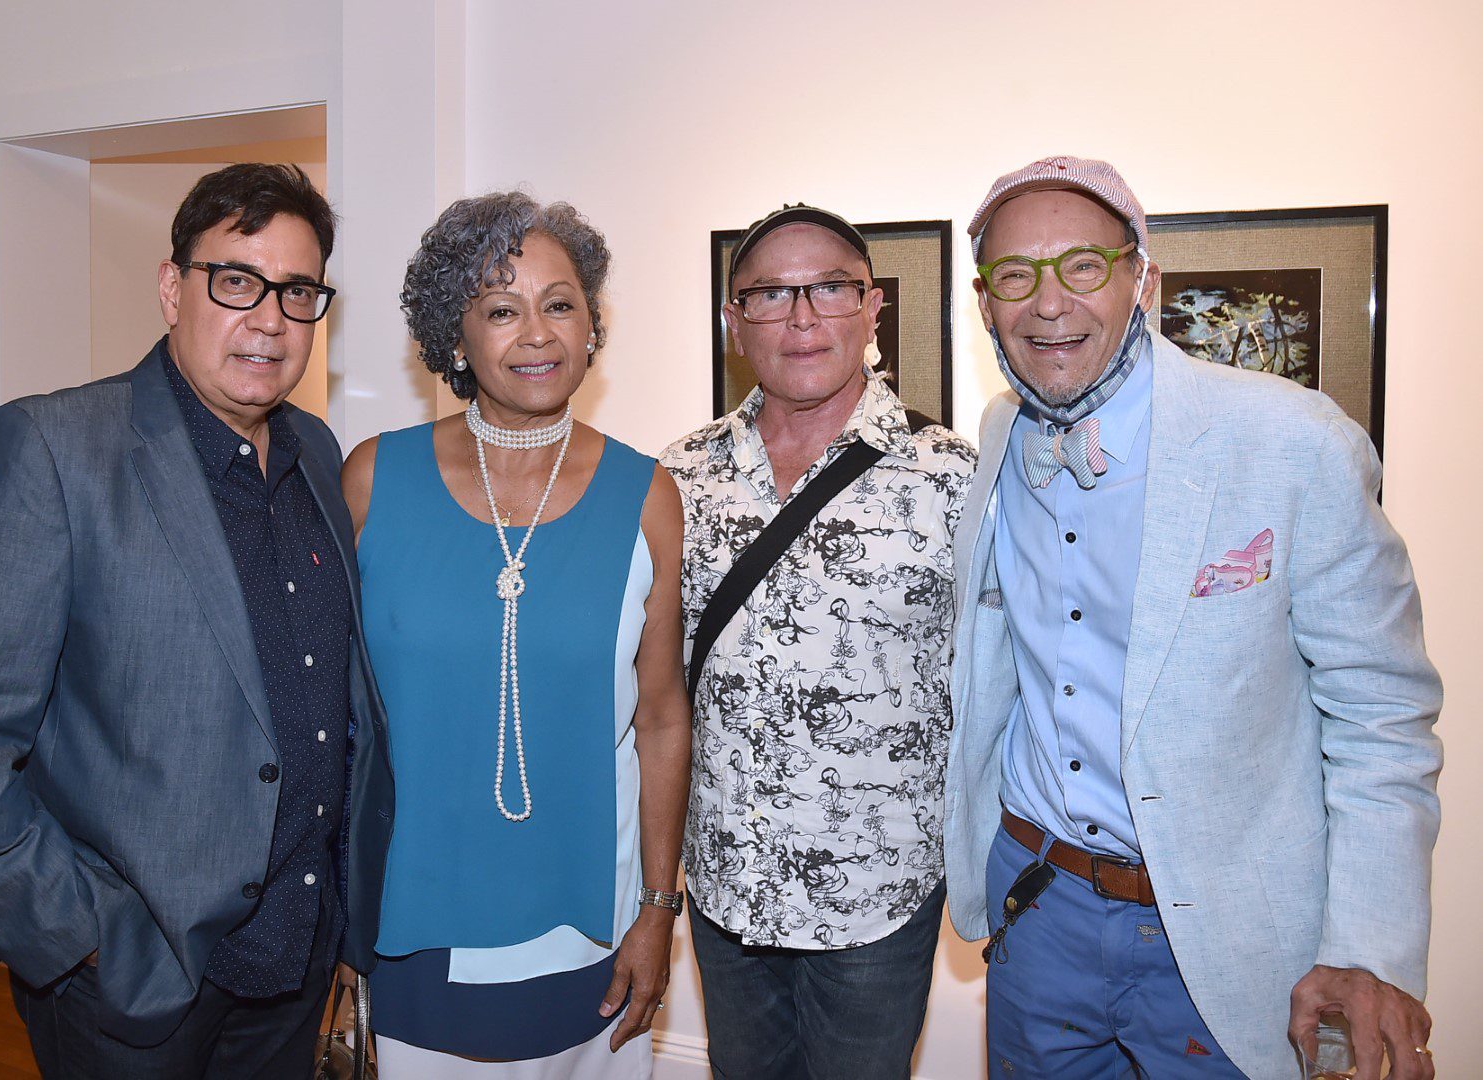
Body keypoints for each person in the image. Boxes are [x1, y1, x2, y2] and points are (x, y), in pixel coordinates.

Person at [0, 163, 393, 1076]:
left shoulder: (316, 451)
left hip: (293, 962)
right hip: (135, 981)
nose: (269, 318)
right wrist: (76, 939)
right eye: (236, 281)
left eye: (299, 291)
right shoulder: (53, 449)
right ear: (172, 285)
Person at [944, 155, 1442, 1079]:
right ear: (985, 305)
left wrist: (1369, 947)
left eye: (1083, 265)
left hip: (1226, 938)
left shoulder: (1292, 444)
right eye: (1016, 275)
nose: (1049, 303)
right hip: (1037, 910)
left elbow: (1383, 720)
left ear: (1145, 278)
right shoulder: (999, 438)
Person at [340, 191, 690, 1078]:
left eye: (559, 304)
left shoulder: (647, 497)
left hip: (589, 919)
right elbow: (328, 720)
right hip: (412, 915)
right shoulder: (375, 480)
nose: (536, 333)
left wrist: (658, 907)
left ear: (591, 326)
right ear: (454, 337)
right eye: (501, 308)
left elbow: (660, 719)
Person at [660, 204, 977, 1079]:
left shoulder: (954, 477)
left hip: (879, 890)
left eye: (830, 288)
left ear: (872, 307)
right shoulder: (678, 475)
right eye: (770, 294)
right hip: (726, 881)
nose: (802, 318)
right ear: (734, 322)